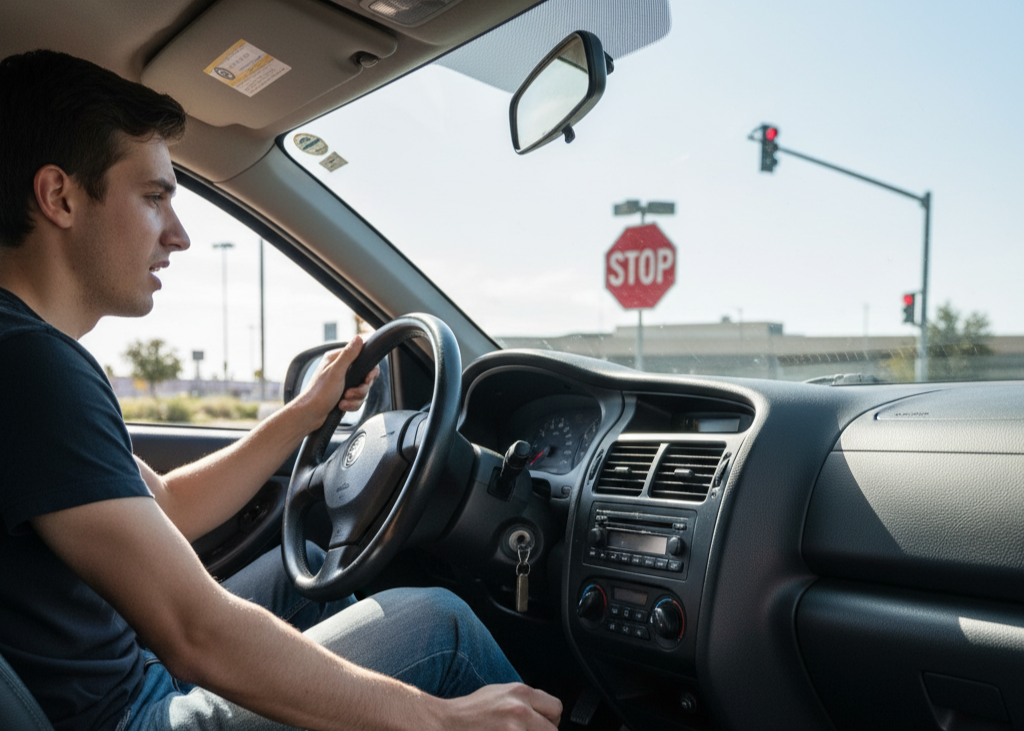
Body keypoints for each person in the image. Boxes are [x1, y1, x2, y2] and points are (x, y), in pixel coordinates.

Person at [0, 50, 562, 731]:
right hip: (125, 714)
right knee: (439, 630)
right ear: (59, 196)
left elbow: (169, 506)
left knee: (312, 567)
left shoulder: (29, 356)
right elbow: (194, 630)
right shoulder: (33, 367)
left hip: (123, 679)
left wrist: (304, 414)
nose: (178, 234)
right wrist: (440, 717)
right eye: (153, 198)